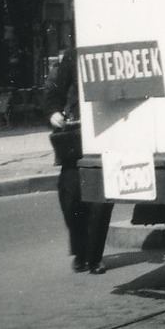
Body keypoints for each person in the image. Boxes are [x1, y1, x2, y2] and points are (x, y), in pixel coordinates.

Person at [47, 47, 114, 274]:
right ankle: (80, 250)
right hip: (78, 135)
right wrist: (54, 110)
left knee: (101, 200)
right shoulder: (73, 56)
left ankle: (94, 258)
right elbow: (55, 91)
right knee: (70, 196)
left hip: (108, 130)